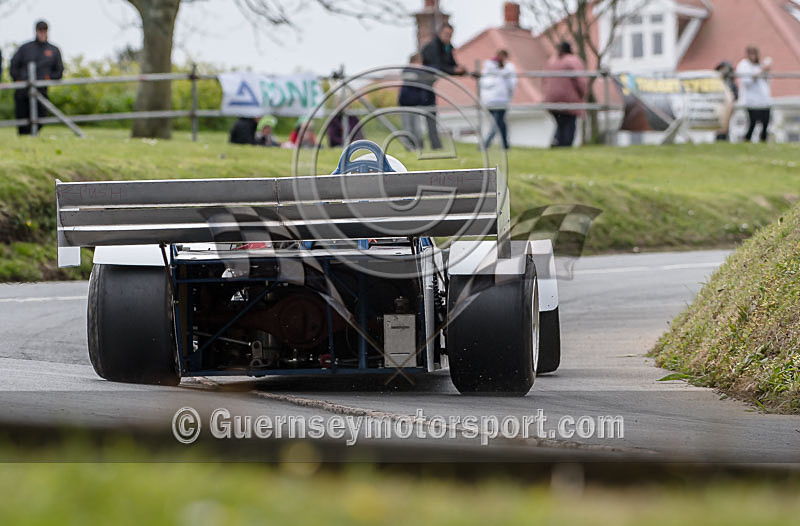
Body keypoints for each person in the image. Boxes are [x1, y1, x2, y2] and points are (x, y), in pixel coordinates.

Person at [9, 20, 64, 135]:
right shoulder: (25, 48)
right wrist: (18, 80)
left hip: (41, 91)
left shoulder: (53, 50)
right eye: (40, 30)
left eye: (45, 30)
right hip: (23, 91)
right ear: (36, 31)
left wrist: (47, 78)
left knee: (41, 117)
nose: (42, 33)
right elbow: (13, 65)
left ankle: (34, 136)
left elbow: (59, 71)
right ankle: (24, 140)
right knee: (22, 118)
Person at [421, 22, 466, 150]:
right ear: (440, 33)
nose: (448, 37)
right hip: (422, 84)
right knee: (418, 114)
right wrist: (453, 70)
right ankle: (417, 145)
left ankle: (436, 145)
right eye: (446, 34)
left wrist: (460, 69)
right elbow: (438, 67)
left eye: (451, 35)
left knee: (431, 114)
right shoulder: (432, 47)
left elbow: (451, 64)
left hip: (431, 84)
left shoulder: (448, 47)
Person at [543, 40, 587, 148]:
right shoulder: (574, 61)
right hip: (570, 100)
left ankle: (557, 142)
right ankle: (565, 145)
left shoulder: (551, 61)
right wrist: (583, 94)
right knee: (569, 124)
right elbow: (581, 80)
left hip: (552, 99)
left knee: (560, 123)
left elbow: (544, 79)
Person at [480, 49, 517, 150]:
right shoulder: (489, 68)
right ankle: (486, 144)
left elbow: (511, 84)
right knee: (498, 123)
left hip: (502, 100)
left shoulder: (508, 68)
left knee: (500, 122)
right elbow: (484, 83)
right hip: (492, 100)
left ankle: (505, 145)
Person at [736, 46, 772, 143]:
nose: (753, 56)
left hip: (764, 100)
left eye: (754, 54)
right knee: (753, 122)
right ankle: (747, 140)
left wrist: (766, 71)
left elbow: (767, 81)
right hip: (751, 100)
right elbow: (747, 81)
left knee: (766, 122)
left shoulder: (760, 64)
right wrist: (761, 71)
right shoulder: (743, 65)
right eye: (751, 54)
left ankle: (763, 141)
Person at [397, 54, 433, 150]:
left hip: (416, 104)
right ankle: (409, 147)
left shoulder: (421, 72)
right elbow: (408, 75)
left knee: (417, 128)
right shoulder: (407, 70)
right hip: (405, 104)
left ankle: (419, 146)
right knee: (407, 127)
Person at [714, 61, 738, 142]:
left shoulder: (731, 83)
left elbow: (735, 95)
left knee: (726, 126)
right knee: (718, 125)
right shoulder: (715, 83)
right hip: (718, 107)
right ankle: (718, 139)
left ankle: (725, 139)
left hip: (728, 107)